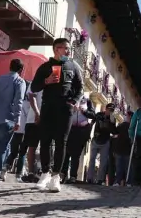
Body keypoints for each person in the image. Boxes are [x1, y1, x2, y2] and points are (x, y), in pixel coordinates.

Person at [31, 38, 84, 192]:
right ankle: (45, 173)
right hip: (48, 108)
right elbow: (34, 87)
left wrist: (73, 101)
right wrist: (46, 81)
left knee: (61, 142)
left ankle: (56, 177)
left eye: (69, 48)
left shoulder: (73, 66)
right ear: (56, 49)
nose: (68, 51)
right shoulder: (45, 67)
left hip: (65, 109)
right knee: (45, 140)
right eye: (65, 48)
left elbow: (80, 87)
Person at [62, 94, 96, 183]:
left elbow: (93, 115)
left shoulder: (88, 101)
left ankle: (73, 176)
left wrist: (84, 111)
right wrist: (72, 109)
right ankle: (62, 174)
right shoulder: (70, 98)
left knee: (76, 155)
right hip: (70, 129)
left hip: (82, 131)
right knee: (65, 153)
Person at [4, 80, 32, 181]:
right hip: (25, 129)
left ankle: (5, 169)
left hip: (16, 128)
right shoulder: (30, 102)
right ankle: (18, 174)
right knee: (22, 152)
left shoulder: (17, 100)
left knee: (14, 152)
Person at [17, 87, 42, 180]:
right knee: (31, 146)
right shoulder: (36, 81)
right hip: (33, 120)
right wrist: (37, 113)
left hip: (47, 119)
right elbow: (31, 96)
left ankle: (43, 172)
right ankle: (31, 172)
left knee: (45, 147)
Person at [87, 103, 116, 184]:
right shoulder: (99, 115)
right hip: (96, 139)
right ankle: (89, 178)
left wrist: (112, 123)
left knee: (103, 162)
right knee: (92, 160)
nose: (110, 112)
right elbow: (92, 123)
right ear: (106, 109)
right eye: (109, 110)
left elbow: (114, 132)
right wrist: (89, 134)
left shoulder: (113, 118)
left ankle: (100, 179)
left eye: (112, 110)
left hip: (105, 141)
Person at [113, 111, 134, 186]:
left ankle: (122, 182)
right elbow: (115, 132)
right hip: (121, 149)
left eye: (127, 116)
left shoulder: (128, 126)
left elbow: (115, 132)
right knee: (123, 168)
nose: (126, 117)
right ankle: (122, 182)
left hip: (125, 150)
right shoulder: (124, 125)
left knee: (124, 167)